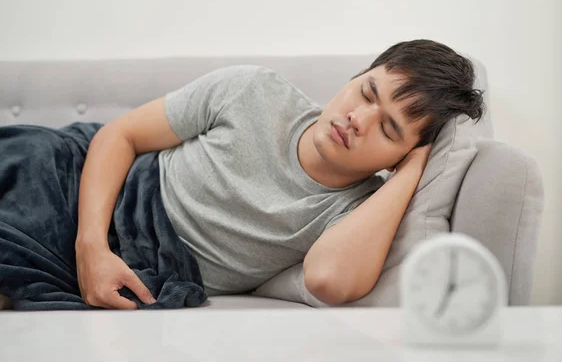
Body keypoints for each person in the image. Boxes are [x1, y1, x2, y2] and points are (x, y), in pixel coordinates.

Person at [2, 39, 484, 310]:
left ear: (397, 158)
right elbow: (118, 137)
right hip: (87, 180)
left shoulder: (357, 210)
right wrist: (91, 245)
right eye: (367, 92)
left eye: (388, 129)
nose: (358, 118)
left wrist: (412, 167)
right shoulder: (253, 90)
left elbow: (331, 281)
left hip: (157, 259)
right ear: (356, 76)